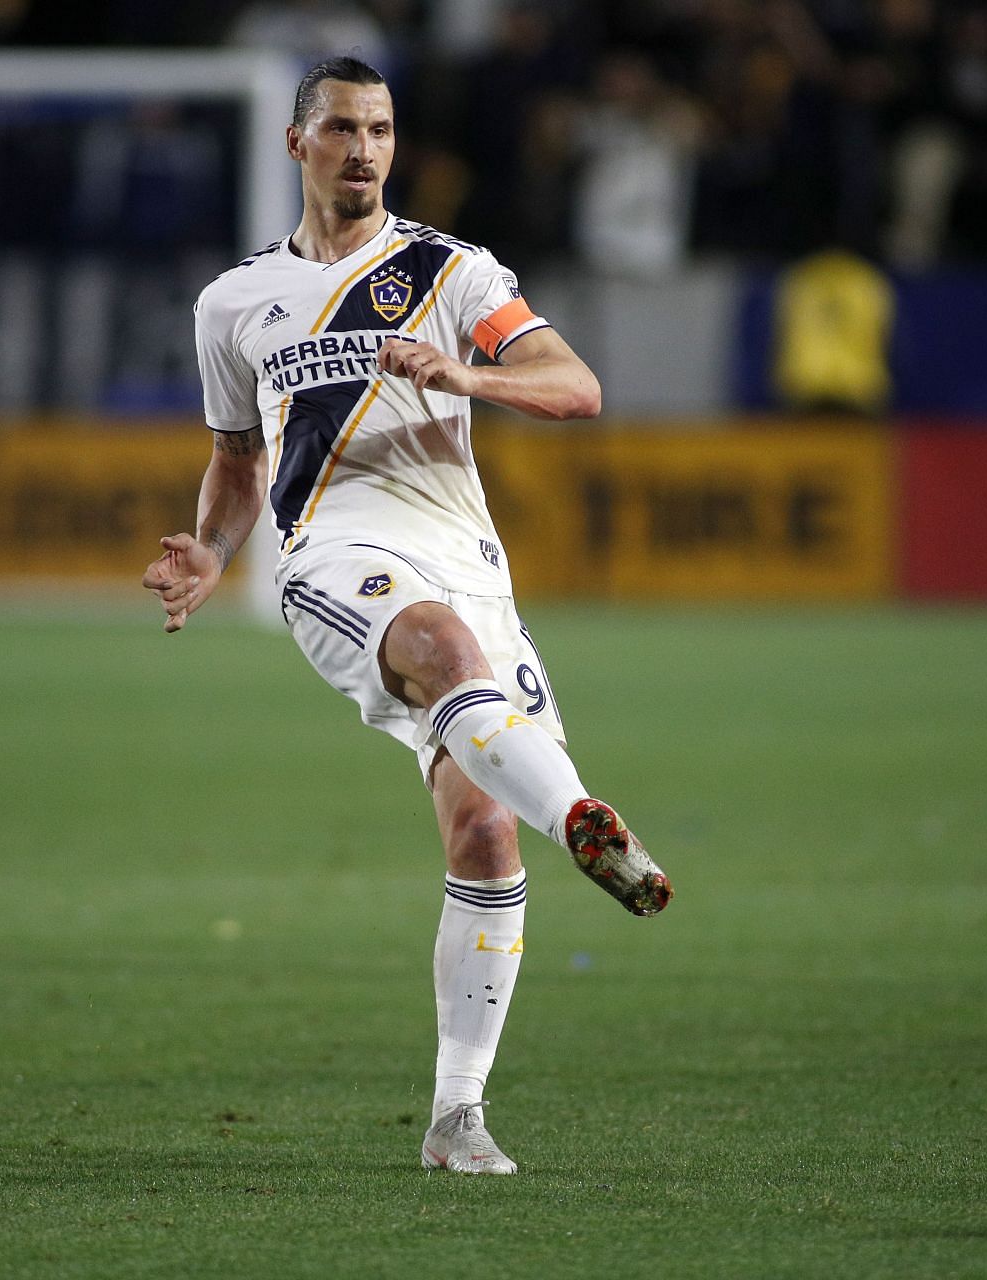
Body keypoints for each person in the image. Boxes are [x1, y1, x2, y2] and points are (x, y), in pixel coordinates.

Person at [142, 56, 672, 1176]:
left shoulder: (452, 270)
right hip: (331, 555)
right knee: (441, 650)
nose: (365, 149)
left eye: (380, 128)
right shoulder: (234, 303)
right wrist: (211, 549)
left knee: (482, 829)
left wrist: (466, 378)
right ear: (298, 145)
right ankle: (586, 817)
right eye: (341, 128)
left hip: (468, 559)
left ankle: (456, 1117)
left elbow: (574, 386)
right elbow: (237, 459)